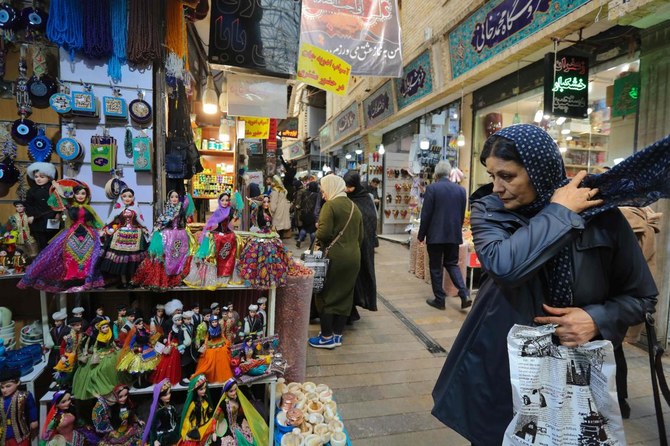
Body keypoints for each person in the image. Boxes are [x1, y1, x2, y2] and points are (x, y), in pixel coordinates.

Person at [431, 124, 660, 444]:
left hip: (578, 375)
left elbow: (642, 297)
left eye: (507, 176)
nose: (497, 187)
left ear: (540, 170)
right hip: (502, 371)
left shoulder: (602, 216)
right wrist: (559, 212)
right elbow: (505, 267)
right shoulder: (490, 210)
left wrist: (596, 319)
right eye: (492, 175)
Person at [18, 181, 106, 293]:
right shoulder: (69, 206)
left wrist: (102, 229)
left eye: (83, 193)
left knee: (89, 257)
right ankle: (72, 277)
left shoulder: (89, 208)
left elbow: (96, 220)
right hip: (72, 233)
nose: (80, 196)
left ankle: (86, 278)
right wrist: (58, 187)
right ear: (74, 195)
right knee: (65, 255)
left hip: (88, 234)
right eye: (77, 193)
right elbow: (60, 198)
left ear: (87, 195)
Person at [308, 175, 363, 349]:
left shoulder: (330, 206)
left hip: (334, 258)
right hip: (353, 257)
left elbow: (323, 234)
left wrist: (318, 228)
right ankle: (337, 335)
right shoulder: (354, 207)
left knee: (325, 296)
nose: (322, 194)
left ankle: (326, 337)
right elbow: (361, 236)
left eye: (323, 189)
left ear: (331, 187)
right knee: (345, 295)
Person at [418, 161, 471, 310]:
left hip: (435, 235)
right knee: (452, 264)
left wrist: (421, 235)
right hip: (453, 234)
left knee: (436, 267)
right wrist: (457, 230)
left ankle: (439, 300)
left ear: (436, 174)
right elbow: (461, 215)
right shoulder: (461, 190)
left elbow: (426, 214)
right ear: (449, 174)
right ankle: (464, 294)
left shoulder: (432, 189)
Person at [132, 190, 195, 290]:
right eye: (172, 197)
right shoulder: (166, 210)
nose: (174, 199)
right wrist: (156, 231)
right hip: (168, 236)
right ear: (169, 199)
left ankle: (177, 278)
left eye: (176, 197)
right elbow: (159, 223)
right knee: (167, 257)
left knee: (179, 257)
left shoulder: (181, 208)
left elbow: (188, 202)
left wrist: (187, 194)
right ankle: (167, 278)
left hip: (180, 236)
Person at [343, 171, 378, 322]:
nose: (347, 189)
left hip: (364, 244)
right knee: (350, 279)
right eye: (346, 186)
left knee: (361, 275)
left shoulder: (365, 198)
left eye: (350, 186)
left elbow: (371, 218)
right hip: (350, 245)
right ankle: (349, 310)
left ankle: (353, 308)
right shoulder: (345, 199)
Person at [99, 188, 150, 288]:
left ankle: (132, 281)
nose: (127, 198)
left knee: (133, 260)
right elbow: (110, 219)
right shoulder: (118, 209)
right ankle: (123, 281)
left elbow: (140, 221)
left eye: (130, 196)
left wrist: (144, 228)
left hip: (135, 235)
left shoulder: (135, 209)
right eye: (125, 196)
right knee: (122, 260)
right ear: (121, 198)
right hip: (121, 234)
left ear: (133, 198)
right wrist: (104, 228)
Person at [209, 378, 268, 445]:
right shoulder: (223, 404)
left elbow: (244, 410)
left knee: (251, 437)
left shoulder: (238, 400)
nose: (234, 393)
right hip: (228, 427)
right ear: (226, 392)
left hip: (239, 422)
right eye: (231, 391)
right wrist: (213, 432)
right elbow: (215, 418)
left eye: (235, 390)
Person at [24, 162, 59, 250]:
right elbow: (28, 204)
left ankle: (53, 257)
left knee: (53, 240)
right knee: (40, 242)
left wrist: (58, 213)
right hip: (37, 219)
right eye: (36, 177)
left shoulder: (53, 189)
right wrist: (31, 215)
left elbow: (59, 203)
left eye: (42, 177)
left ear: (49, 177)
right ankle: (42, 257)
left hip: (53, 217)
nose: (38, 179)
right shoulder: (32, 191)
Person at [1, 368, 38, 446]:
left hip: (20, 433)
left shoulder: (24, 395)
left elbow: (32, 408)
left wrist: (34, 420)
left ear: (17, 382)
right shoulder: (1, 399)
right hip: (4, 435)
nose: (4, 390)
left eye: (8, 386)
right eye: (2, 387)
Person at [179, 375, 214, 445]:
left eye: (205, 388)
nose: (204, 391)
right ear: (196, 390)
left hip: (206, 424)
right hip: (197, 428)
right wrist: (186, 432)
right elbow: (187, 418)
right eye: (201, 389)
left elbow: (209, 410)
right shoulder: (193, 405)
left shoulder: (205, 399)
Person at [143, 379, 180, 446]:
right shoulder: (159, 411)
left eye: (169, 393)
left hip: (174, 431)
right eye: (165, 395)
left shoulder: (171, 406)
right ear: (159, 397)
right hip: (164, 436)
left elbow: (175, 419)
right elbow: (153, 427)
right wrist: (155, 440)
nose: (169, 396)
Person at [295, 181, 319, 249]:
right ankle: (312, 245)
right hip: (312, 215)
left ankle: (299, 239)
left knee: (304, 228)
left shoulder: (305, 193)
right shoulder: (317, 195)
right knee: (312, 231)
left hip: (304, 213)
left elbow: (301, 202)